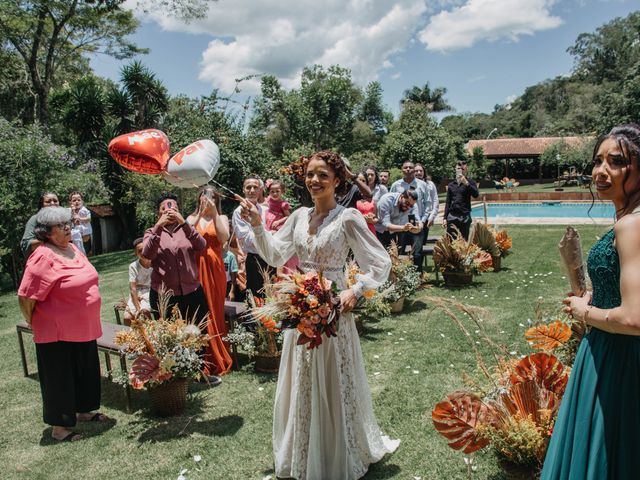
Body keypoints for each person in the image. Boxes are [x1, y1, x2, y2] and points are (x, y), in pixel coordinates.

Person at [237, 150, 399, 480]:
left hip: (334, 311)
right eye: (310, 174)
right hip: (300, 310)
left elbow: (381, 263)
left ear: (337, 180)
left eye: (323, 175)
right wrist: (257, 225)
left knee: (334, 380)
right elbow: (274, 254)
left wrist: (354, 291)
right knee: (304, 379)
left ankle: (340, 450)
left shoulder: (348, 218)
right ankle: (307, 449)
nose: (314, 180)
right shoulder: (297, 216)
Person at [541, 124, 640, 479]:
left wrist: (586, 311)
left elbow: (634, 318)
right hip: (605, 351)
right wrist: (593, 295)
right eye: (597, 161)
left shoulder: (632, 225)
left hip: (619, 360)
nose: (601, 171)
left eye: (616, 161)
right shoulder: (628, 217)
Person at [18, 207, 107, 442]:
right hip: (56, 331)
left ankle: (84, 411)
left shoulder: (72, 248)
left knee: (85, 371)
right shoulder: (43, 256)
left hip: (83, 327)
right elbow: (26, 296)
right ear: (46, 232)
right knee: (60, 378)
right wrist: (32, 320)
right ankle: (60, 428)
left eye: (69, 223)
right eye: (62, 226)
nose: (68, 228)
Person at [187, 186, 233, 377]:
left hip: (214, 267)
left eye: (212, 196)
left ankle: (218, 356)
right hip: (195, 267)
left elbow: (224, 239)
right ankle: (199, 356)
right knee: (198, 309)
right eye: (205, 195)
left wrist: (214, 214)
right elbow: (186, 236)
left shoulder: (221, 218)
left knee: (214, 309)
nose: (208, 199)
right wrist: (199, 215)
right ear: (199, 198)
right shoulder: (190, 218)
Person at [232, 175, 274, 299]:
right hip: (255, 259)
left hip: (269, 257)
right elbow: (246, 238)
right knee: (256, 298)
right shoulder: (239, 212)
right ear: (243, 190)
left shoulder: (265, 210)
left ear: (260, 190)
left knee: (271, 295)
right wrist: (270, 235)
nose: (251, 190)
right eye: (248, 187)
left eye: (255, 187)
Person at [390, 161, 430, 269]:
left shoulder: (422, 185)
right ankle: (401, 277)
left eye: (410, 167)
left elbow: (427, 204)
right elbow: (392, 205)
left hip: (417, 224)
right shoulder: (395, 185)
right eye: (405, 167)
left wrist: (422, 221)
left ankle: (418, 277)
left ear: (414, 169)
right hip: (400, 225)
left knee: (417, 253)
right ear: (402, 169)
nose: (408, 169)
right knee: (400, 251)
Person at [443, 161, 479, 240]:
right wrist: (445, 218)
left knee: (464, 241)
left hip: (464, 216)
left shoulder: (471, 182)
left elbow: (476, 195)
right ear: (455, 169)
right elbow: (448, 202)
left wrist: (467, 184)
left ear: (466, 170)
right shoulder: (451, 185)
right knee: (451, 241)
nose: (460, 170)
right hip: (452, 216)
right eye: (458, 168)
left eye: (463, 169)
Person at [20, 192, 60, 259]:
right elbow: (26, 245)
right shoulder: (35, 219)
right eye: (48, 201)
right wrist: (50, 239)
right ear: (42, 205)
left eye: (55, 201)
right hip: (44, 261)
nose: (53, 203)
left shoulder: (64, 219)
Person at [123, 238, 152, 325]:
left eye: (145, 249)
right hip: (137, 292)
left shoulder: (156, 263)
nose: (143, 253)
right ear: (135, 253)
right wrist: (137, 308)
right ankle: (133, 336)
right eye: (140, 251)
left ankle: (151, 333)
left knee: (145, 312)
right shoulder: (133, 266)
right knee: (127, 317)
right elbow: (133, 288)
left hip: (151, 291)